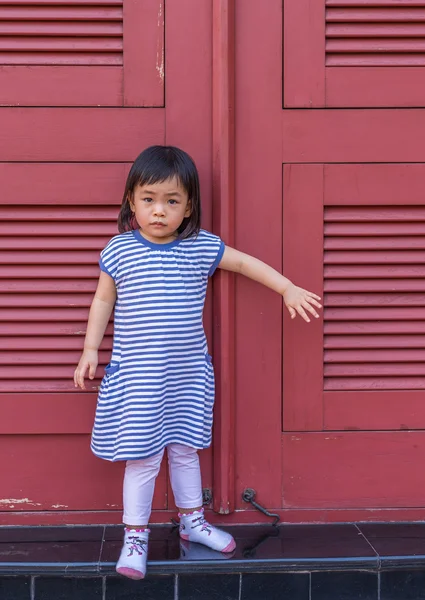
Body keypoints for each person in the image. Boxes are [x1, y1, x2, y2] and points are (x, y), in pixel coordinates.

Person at [74, 145, 322, 580]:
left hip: (186, 375)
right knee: (144, 457)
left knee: (186, 450)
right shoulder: (119, 250)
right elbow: (102, 299)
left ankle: (192, 521)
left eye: (172, 202)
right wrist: (90, 350)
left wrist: (286, 289)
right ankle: (136, 536)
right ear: (131, 200)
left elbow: (244, 263)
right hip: (139, 377)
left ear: (189, 208)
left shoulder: (200, 247)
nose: (158, 211)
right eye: (149, 199)